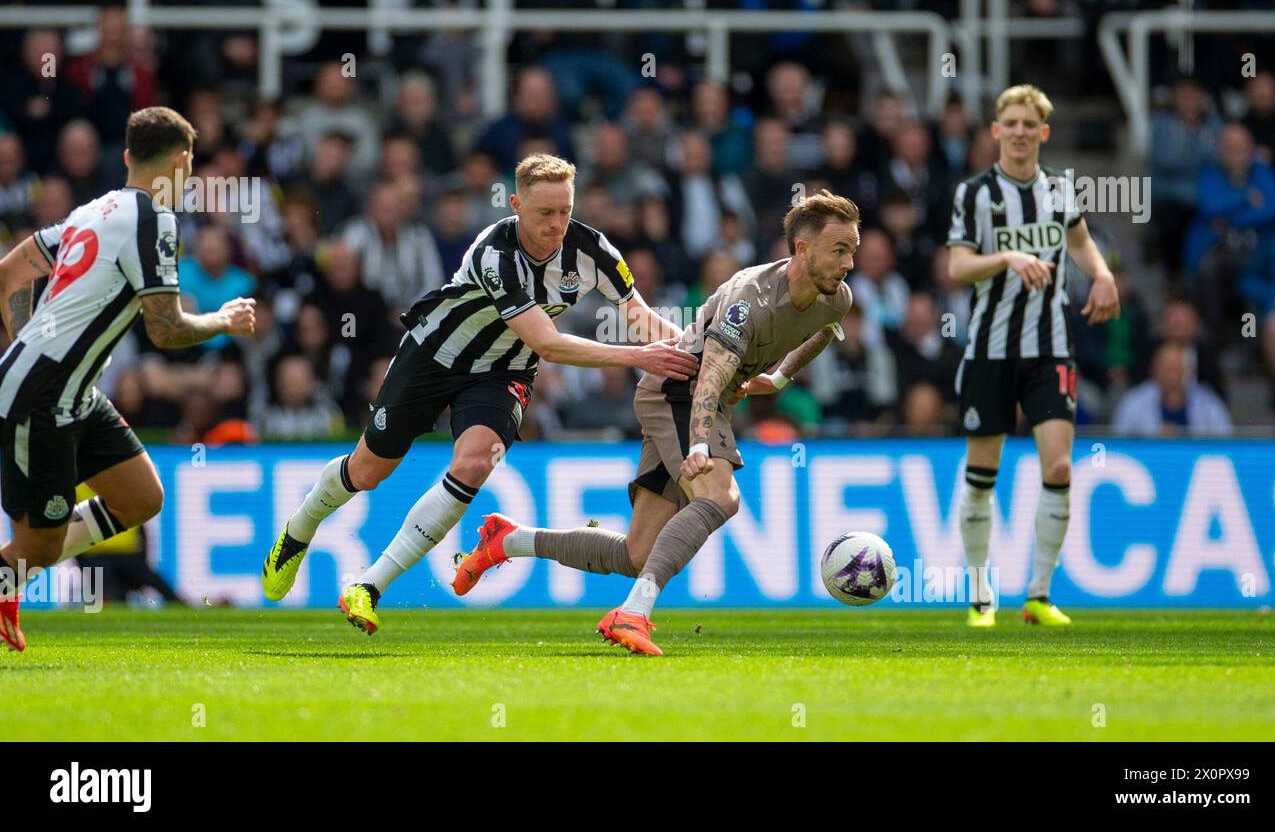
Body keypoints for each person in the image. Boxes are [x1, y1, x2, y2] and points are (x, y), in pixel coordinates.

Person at [260, 154, 697, 633]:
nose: (556, 225)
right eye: (544, 213)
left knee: (473, 464)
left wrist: (690, 352)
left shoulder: (592, 250)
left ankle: (368, 586)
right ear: (515, 204)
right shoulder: (496, 253)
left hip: (504, 370)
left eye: (565, 212)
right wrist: (640, 358)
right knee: (367, 471)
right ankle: (298, 529)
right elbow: (547, 343)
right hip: (434, 355)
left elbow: (638, 316)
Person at [453, 191, 860, 656]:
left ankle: (509, 541)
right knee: (720, 497)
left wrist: (780, 377)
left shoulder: (837, 298)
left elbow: (824, 329)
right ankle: (634, 613)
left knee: (638, 553)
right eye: (839, 250)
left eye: (852, 249)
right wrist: (701, 443)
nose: (848, 263)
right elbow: (708, 378)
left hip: (689, 397)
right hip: (680, 389)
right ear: (802, 249)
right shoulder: (752, 298)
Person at [0, 106, 256, 651]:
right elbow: (165, 329)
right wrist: (224, 320)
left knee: (141, 497)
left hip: (74, 393)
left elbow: (9, 273)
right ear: (183, 161)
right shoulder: (155, 220)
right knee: (39, 548)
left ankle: (9, 576)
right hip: (44, 398)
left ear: (126, 157)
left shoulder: (92, 211)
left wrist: (30, 336)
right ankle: (6, 578)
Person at [946, 84, 1119, 630]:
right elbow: (957, 267)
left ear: (1042, 133)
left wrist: (1104, 274)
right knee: (982, 473)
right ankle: (979, 597)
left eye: (1029, 124)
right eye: (1010, 123)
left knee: (1061, 465)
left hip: (1050, 348)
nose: (1019, 132)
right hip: (991, 350)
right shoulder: (974, 194)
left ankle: (1039, 595)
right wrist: (1008, 257)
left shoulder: (1060, 190)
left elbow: (1080, 241)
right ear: (996, 131)